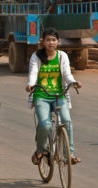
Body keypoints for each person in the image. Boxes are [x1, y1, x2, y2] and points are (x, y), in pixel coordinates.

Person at [26, 27, 82, 165]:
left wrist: (74, 83)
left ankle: (70, 154)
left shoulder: (62, 56)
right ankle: (40, 150)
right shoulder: (36, 56)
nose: (51, 43)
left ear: (58, 41)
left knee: (67, 122)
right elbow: (33, 72)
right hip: (41, 95)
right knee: (45, 125)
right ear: (43, 42)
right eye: (48, 40)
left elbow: (67, 74)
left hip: (59, 95)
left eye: (53, 40)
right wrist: (31, 84)